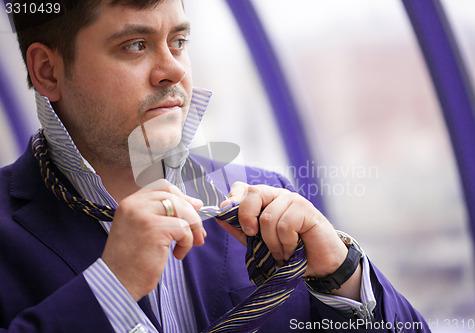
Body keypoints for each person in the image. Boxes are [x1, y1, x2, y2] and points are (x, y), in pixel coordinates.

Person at [0, 0, 430, 332]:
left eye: (179, 42)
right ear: (47, 71)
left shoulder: (269, 198)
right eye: (135, 45)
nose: (173, 70)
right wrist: (110, 289)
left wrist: (343, 275)